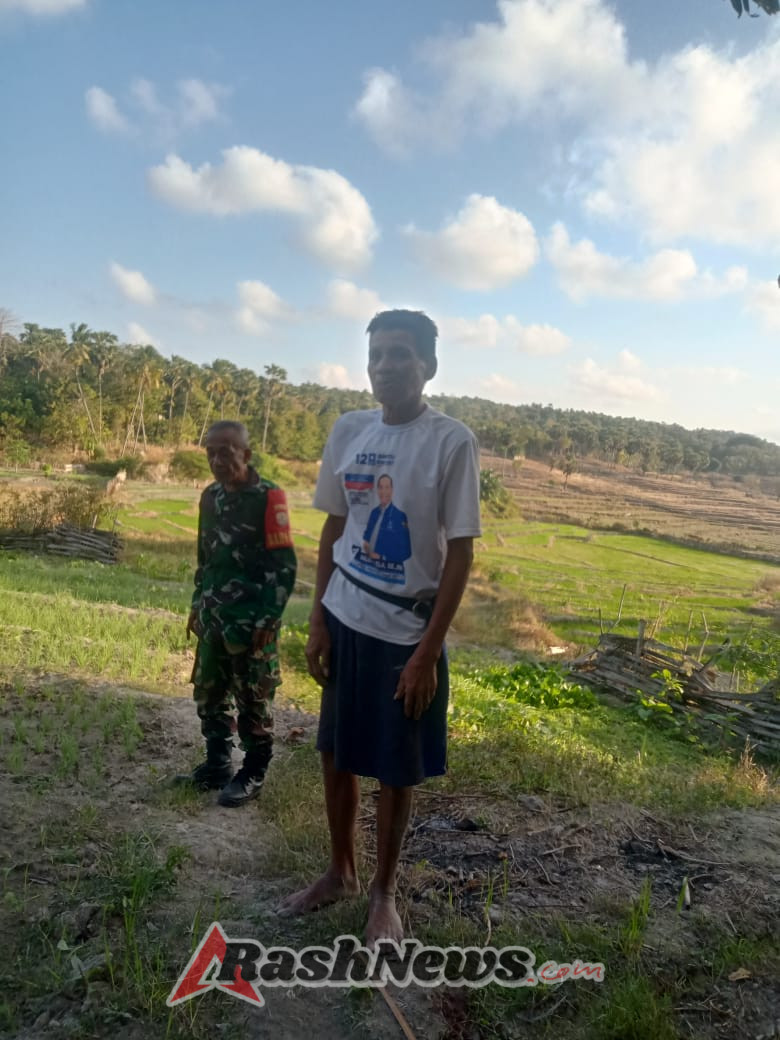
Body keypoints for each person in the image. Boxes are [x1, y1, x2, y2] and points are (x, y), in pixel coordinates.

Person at [279, 309, 481, 945]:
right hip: (345, 615)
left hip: (405, 633)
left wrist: (426, 654)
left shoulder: (450, 442)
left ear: (429, 365)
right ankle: (339, 870)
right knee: (335, 751)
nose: (385, 366)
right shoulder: (349, 429)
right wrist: (318, 617)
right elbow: (334, 528)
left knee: (396, 768)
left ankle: (384, 893)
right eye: (376, 356)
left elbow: (460, 555)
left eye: (399, 354)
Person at [180, 420, 297, 808]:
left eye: (226, 452)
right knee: (209, 692)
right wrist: (197, 604)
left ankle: (253, 772)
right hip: (213, 616)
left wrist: (269, 618)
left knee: (253, 697)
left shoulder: (268, 497)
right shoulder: (210, 496)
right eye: (211, 452)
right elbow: (205, 558)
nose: (217, 460)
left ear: (245, 454)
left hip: (251, 622)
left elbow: (283, 565)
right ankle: (217, 764)